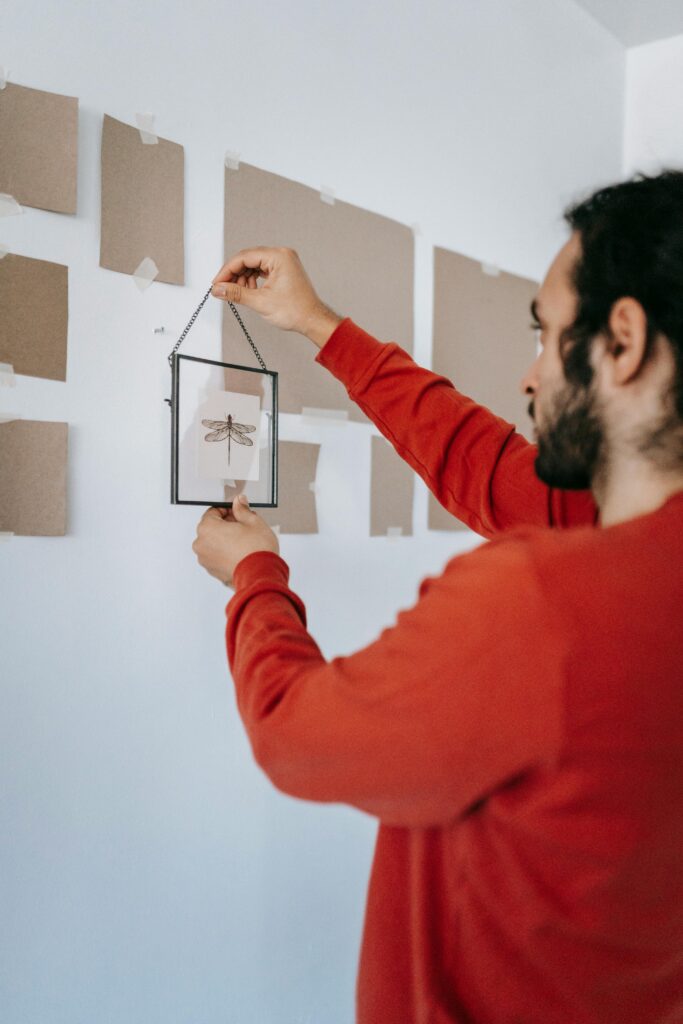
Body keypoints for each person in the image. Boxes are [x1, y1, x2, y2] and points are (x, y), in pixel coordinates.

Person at [192, 170, 683, 1024]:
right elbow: (486, 467)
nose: (528, 380)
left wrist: (254, 576)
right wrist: (321, 326)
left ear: (621, 341)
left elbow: (294, 732)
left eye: (544, 334)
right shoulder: (620, 542)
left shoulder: (544, 601)